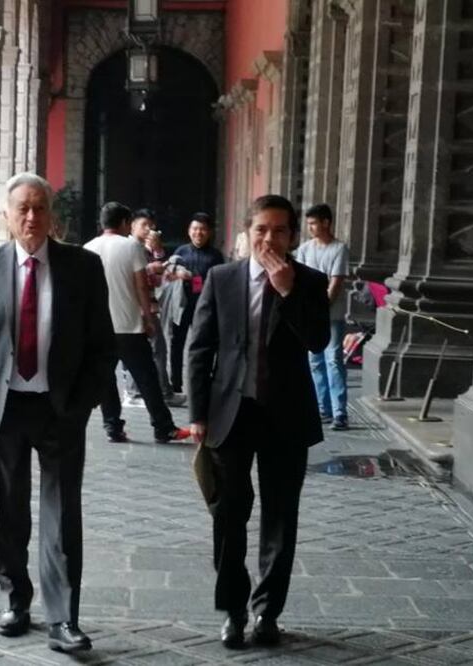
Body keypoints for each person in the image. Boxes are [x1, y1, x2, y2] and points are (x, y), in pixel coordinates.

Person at [0, 173, 115, 654]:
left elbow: (103, 345)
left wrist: (82, 406)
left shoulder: (82, 267)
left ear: (52, 215)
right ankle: (16, 599)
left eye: (40, 208)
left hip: (60, 410)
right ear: (7, 215)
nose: (32, 218)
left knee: (62, 516)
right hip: (3, 408)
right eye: (23, 209)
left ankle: (63, 619)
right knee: (6, 512)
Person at [187, 195, 329, 649]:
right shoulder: (222, 278)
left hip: (286, 416)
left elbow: (317, 341)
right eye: (261, 230)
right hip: (231, 413)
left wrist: (287, 291)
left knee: (280, 518)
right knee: (228, 516)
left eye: (280, 231)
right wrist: (197, 416)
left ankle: (267, 611)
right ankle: (232, 610)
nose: (269, 239)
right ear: (247, 233)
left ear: (292, 237)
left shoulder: (308, 281)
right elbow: (200, 347)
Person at [84, 203, 191, 444]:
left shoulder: (88, 247)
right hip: (128, 326)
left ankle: (113, 428)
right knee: (147, 378)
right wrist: (149, 317)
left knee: (107, 380)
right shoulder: (130, 246)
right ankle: (163, 428)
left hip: (98, 328)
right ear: (124, 223)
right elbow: (141, 285)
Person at [295, 203, 352, 430]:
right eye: (308, 223)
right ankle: (322, 409)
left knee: (333, 359)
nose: (310, 227)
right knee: (315, 361)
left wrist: (320, 307)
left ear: (326, 222)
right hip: (310, 314)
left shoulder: (339, 249)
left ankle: (340, 412)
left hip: (332, 314)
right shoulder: (305, 249)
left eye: (313, 223)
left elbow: (336, 283)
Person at [124, 209, 186, 407]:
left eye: (151, 226)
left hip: (148, 305)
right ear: (132, 225)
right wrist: (154, 268)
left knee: (150, 350)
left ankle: (156, 391)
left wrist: (158, 253)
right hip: (137, 307)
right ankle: (143, 393)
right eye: (144, 225)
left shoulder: (146, 249)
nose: (149, 230)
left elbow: (158, 281)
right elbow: (135, 276)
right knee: (149, 350)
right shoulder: (129, 247)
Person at [169, 212, 225, 393]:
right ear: (189, 231)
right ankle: (176, 384)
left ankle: (203, 382)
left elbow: (220, 283)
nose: (198, 233)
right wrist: (176, 271)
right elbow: (167, 275)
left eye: (202, 229)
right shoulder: (181, 252)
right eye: (195, 229)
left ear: (209, 232)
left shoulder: (216, 256)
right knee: (177, 343)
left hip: (205, 306)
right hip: (182, 305)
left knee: (204, 344)